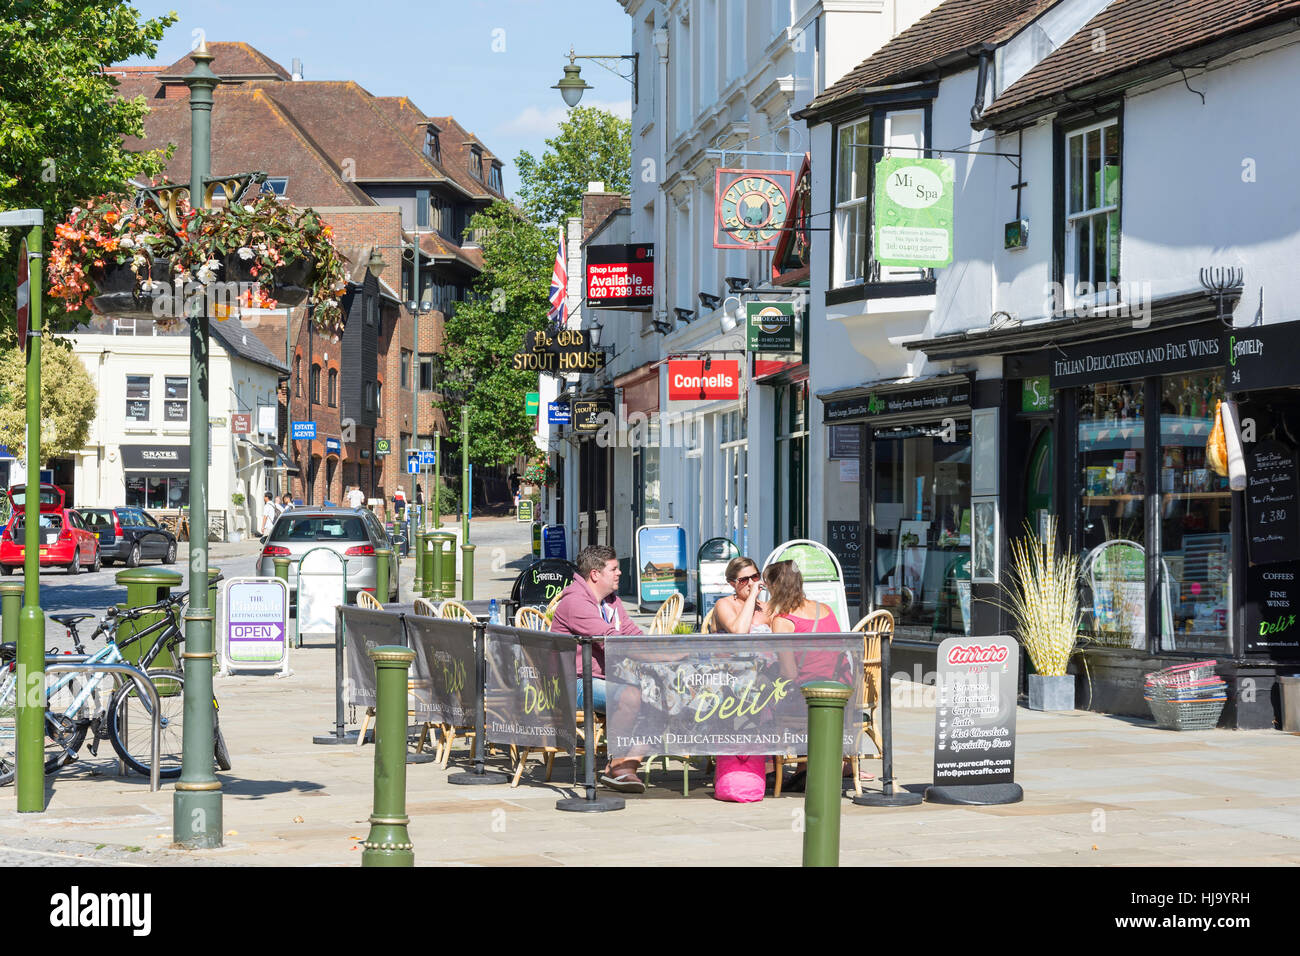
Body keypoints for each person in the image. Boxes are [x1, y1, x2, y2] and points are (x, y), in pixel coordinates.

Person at [763, 559, 869, 785]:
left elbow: (790, 673)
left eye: (767, 587)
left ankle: (772, 770)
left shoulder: (784, 621)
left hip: (811, 699)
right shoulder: (826, 609)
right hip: (842, 692)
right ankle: (808, 765)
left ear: (775, 587)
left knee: (763, 702)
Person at [550, 544, 646, 794]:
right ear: (595, 574)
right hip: (574, 682)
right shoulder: (575, 603)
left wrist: (663, 652)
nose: (619, 573)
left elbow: (632, 634)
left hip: (602, 679)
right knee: (629, 696)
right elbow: (610, 639)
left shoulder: (612, 602)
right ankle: (618, 765)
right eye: (614, 569)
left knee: (660, 695)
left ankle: (622, 766)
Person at [712, 556, 771, 635]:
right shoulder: (723, 604)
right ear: (733, 584)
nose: (751, 583)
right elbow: (739, 633)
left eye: (754, 577)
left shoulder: (766, 607)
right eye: (743, 580)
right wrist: (752, 595)